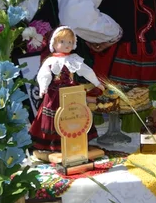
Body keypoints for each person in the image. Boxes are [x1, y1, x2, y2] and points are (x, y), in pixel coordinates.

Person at [30, 26, 103, 155]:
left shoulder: (73, 59)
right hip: (55, 94)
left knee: (75, 114)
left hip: (72, 92)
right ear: (54, 43)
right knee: (57, 117)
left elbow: (86, 71)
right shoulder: (51, 60)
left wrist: (97, 82)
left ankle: (75, 141)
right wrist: (43, 87)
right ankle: (54, 145)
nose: (67, 45)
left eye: (70, 42)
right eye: (62, 42)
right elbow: (44, 75)